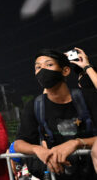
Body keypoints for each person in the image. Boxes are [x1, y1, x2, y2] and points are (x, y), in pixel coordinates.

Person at [15, 49, 97, 179]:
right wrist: (38, 150)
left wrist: (77, 143)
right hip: (59, 174)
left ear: (65, 71)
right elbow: (19, 143)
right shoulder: (34, 106)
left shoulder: (87, 98)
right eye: (38, 67)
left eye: (49, 65)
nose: (42, 71)